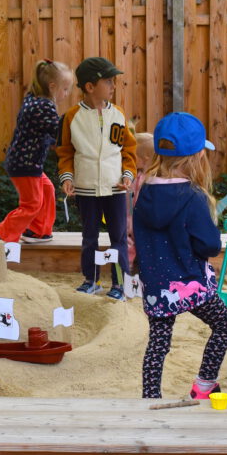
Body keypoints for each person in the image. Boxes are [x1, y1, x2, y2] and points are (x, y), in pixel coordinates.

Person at [133, 113, 227, 399]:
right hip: (190, 284)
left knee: (158, 344)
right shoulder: (193, 196)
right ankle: (204, 385)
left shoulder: (142, 192)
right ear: (198, 156)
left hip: (156, 286)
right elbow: (209, 245)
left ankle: (150, 397)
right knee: (224, 325)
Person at [56, 56, 138, 299]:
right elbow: (65, 152)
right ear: (90, 86)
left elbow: (129, 150)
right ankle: (91, 280)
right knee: (89, 237)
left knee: (118, 237)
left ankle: (119, 284)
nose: (113, 86)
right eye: (109, 81)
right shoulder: (72, 117)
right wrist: (67, 178)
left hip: (115, 188)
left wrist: (127, 175)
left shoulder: (119, 114)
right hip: (86, 189)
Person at [0, 59, 74, 244]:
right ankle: (0, 233)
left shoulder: (33, 100)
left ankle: (38, 231)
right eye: (65, 89)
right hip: (25, 163)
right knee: (31, 204)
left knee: (47, 189)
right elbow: (59, 133)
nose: (67, 94)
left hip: (26, 161)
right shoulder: (44, 106)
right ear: (52, 86)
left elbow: (46, 132)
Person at [126, 132, 154, 274]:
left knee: (145, 248)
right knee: (129, 245)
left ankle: (142, 271)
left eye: (132, 155)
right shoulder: (133, 176)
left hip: (144, 223)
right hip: (130, 222)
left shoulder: (151, 179)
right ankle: (128, 270)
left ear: (144, 159)